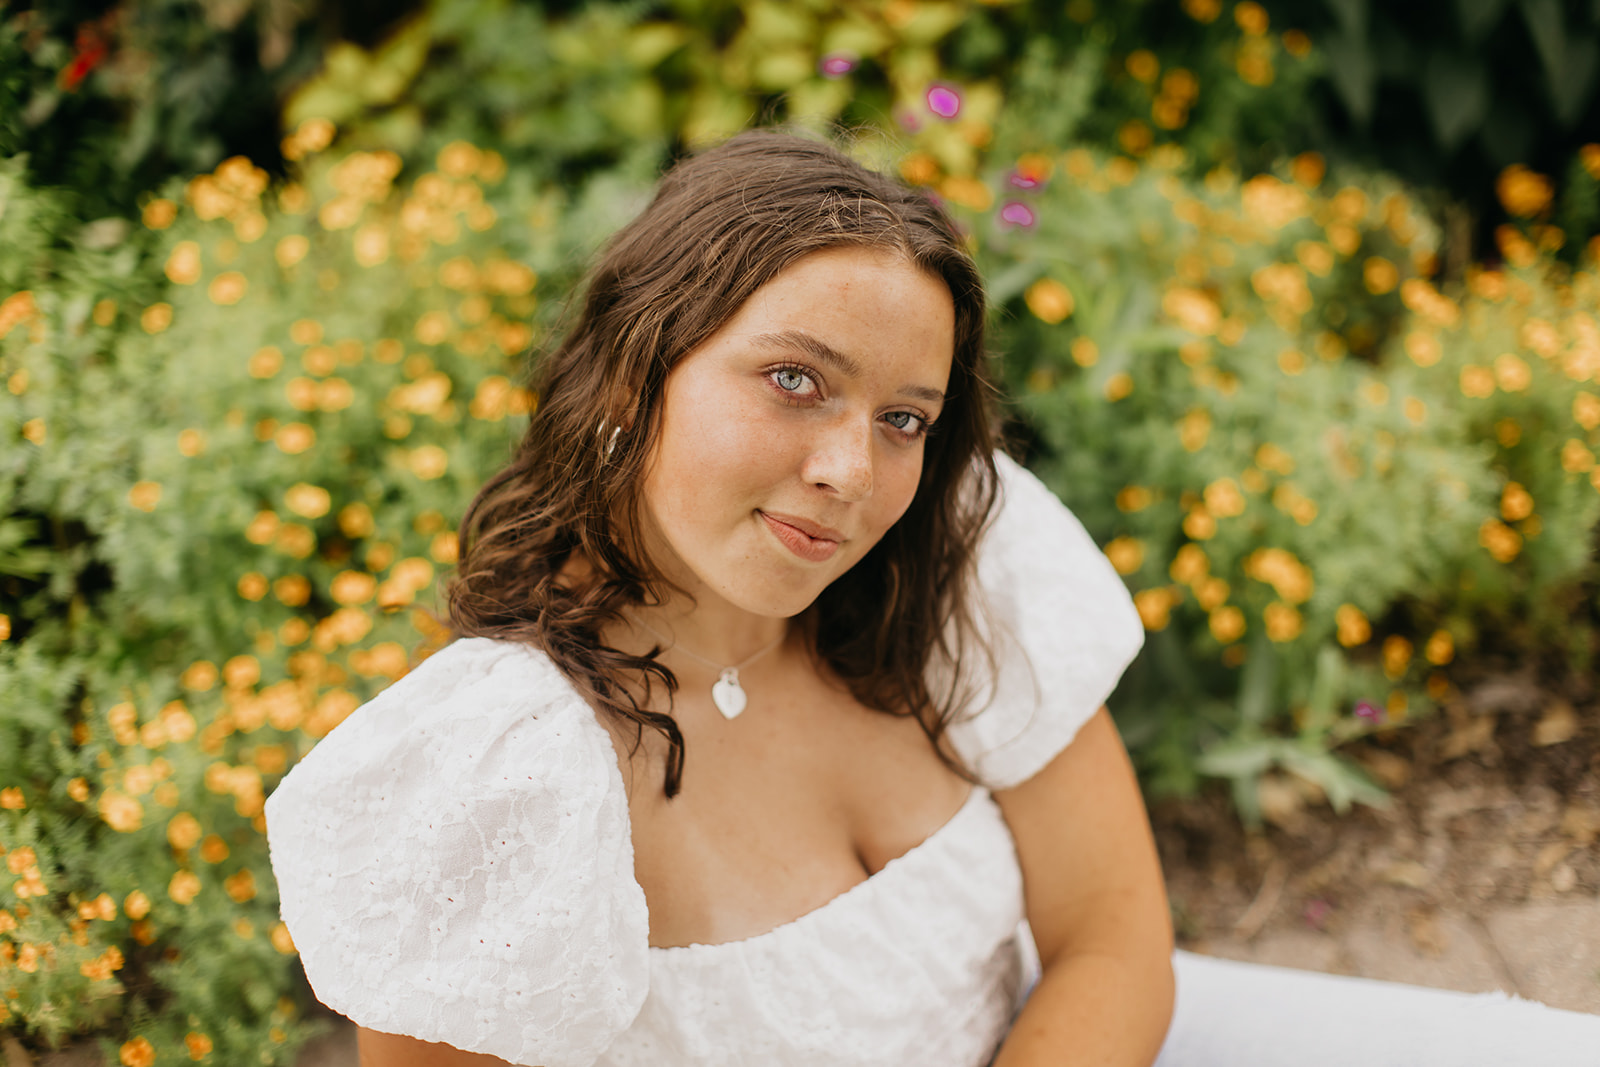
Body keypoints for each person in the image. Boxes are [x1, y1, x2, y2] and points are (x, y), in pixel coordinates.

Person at [265, 131, 1600, 1067]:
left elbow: (1109, 939)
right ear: (633, 373)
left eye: (904, 417)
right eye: (795, 378)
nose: (851, 472)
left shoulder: (956, 569)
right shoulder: (494, 770)